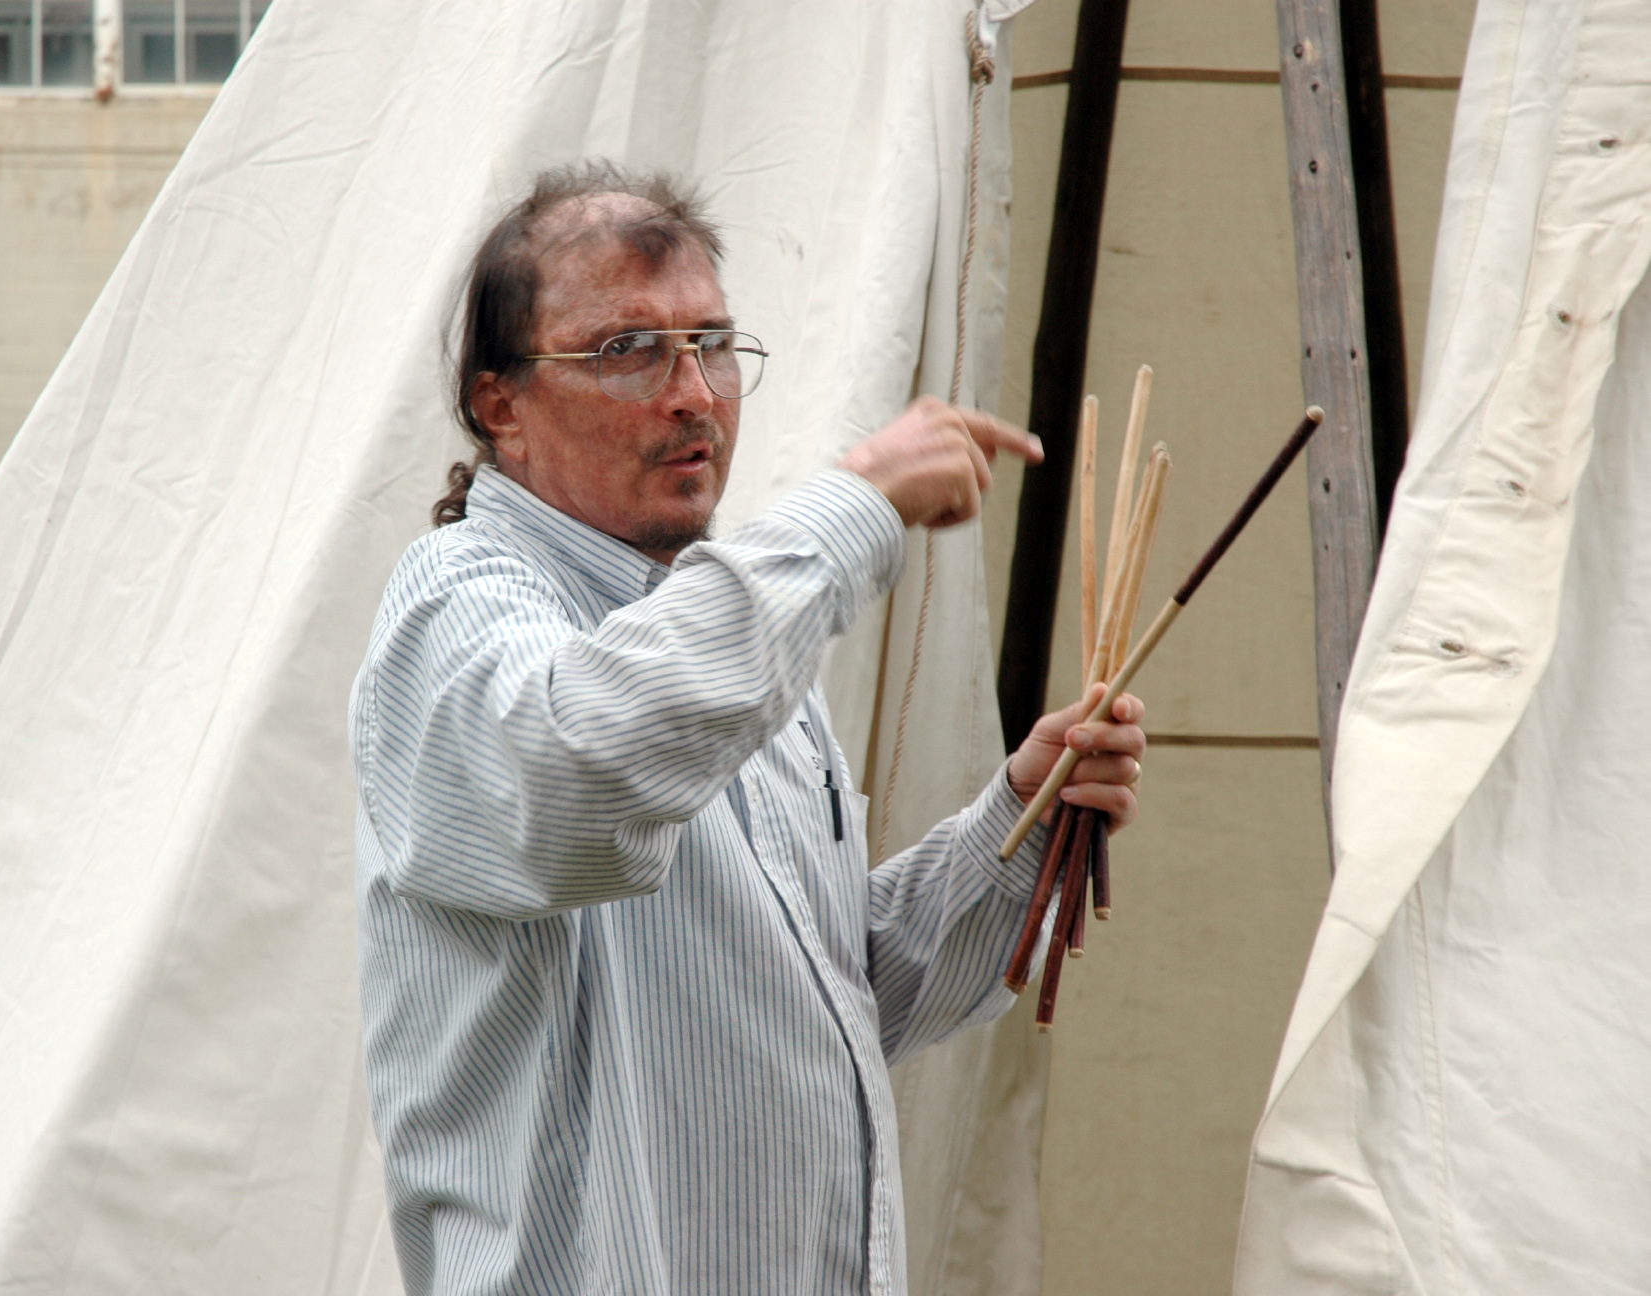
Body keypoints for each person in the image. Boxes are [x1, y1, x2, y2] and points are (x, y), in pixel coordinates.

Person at [350, 162, 1144, 1294]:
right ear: (499, 405)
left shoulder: (721, 635)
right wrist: (852, 502)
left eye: (713, 345)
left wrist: (1014, 821)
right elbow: (574, 771)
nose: (694, 395)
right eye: (626, 350)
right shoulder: (457, 603)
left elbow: (830, 995)